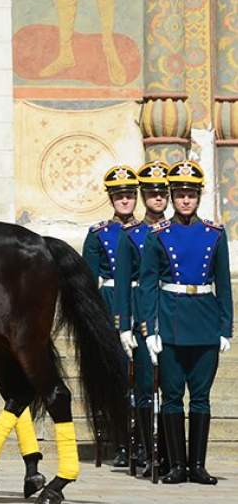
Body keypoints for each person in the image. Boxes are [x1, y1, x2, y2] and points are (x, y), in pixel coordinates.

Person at [138, 160, 233, 485]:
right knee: (173, 395)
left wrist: (225, 327)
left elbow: (223, 284)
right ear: (173, 197)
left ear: (198, 196)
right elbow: (148, 285)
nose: (185, 200)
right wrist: (149, 329)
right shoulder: (158, 235)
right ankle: (177, 465)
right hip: (171, 322)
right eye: (180, 194)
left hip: (204, 322)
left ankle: (198, 466)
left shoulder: (214, 234)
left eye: (190, 194)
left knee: (202, 397)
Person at [113, 160, 169, 477]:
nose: (157, 198)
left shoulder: (174, 231)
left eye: (162, 193)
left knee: (169, 388)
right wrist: (124, 325)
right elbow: (122, 283)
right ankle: (147, 451)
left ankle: (170, 453)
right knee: (145, 385)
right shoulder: (131, 234)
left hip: (172, 314)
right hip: (141, 314)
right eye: (151, 193)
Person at [81, 164, 138, 466]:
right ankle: (118, 441)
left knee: (137, 379)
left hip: (137, 303)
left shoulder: (147, 232)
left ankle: (139, 440)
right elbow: (87, 283)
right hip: (109, 303)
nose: (125, 201)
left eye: (129, 195)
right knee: (113, 377)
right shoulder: (99, 234)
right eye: (119, 196)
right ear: (111, 199)